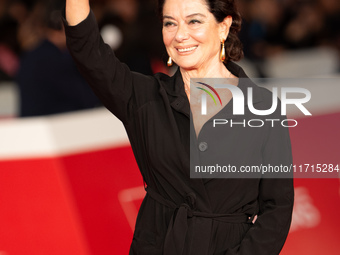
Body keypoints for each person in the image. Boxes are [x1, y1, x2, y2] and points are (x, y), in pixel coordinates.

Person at [63, 0, 294, 254]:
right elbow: (88, 52)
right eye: (170, 23)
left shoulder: (263, 106)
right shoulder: (144, 98)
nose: (180, 35)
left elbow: (277, 207)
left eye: (194, 21)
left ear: (223, 27)